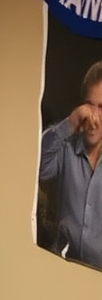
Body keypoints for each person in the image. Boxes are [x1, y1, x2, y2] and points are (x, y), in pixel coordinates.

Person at [38, 60, 102, 269]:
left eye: (101, 107)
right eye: (89, 105)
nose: (93, 116)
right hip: (64, 271)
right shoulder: (66, 148)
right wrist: (70, 124)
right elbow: (37, 166)